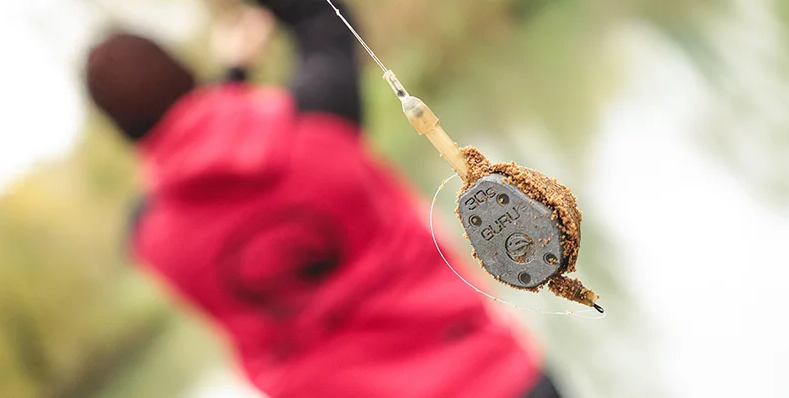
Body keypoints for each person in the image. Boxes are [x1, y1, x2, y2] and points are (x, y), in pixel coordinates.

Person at [86, 0, 561, 396]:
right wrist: (233, 70)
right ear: (184, 72)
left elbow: (193, 159)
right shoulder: (320, 119)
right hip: (491, 380)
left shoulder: (147, 239)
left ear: (122, 133)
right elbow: (321, 21)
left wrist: (232, 77)